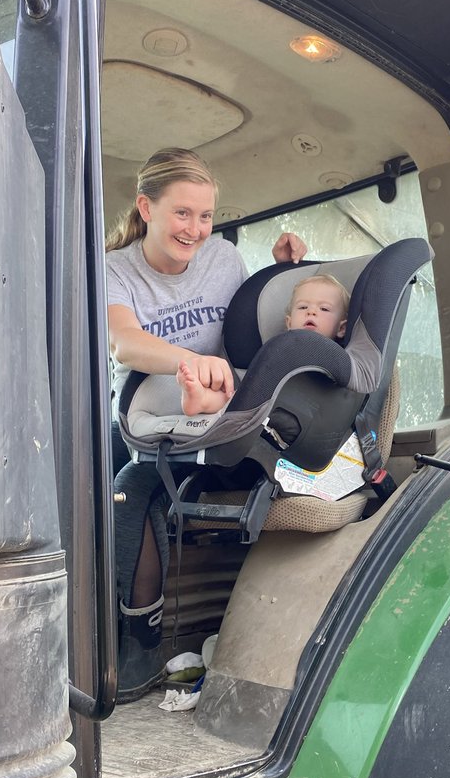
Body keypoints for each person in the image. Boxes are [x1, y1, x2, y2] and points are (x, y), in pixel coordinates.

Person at [106, 147, 306, 702]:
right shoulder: (114, 270)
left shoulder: (223, 259)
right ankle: (138, 634)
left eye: (205, 215)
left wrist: (285, 275)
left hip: (220, 418)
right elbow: (123, 341)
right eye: (181, 213)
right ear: (146, 208)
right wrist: (189, 363)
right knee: (126, 487)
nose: (194, 229)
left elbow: (256, 331)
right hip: (150, 412)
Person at [176, 273, 350, 415]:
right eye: (303, 307)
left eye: (324, 309)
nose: (311, 312)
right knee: (235, 398)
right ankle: (202, 400)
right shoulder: (280, 348)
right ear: (289, 323)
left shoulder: (340, 358)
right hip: (266, 404)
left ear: (342, 328)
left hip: (307, 411)